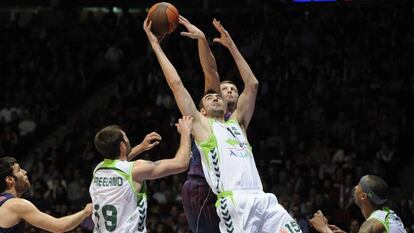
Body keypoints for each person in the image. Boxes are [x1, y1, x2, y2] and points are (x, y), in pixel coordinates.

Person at [144, 17, 301, 233]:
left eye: (220, 95)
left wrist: (229, 45)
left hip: (263, 199)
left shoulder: (237, 123)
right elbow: (176, 83)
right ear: (202, 110)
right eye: (210, 98)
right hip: (233, 202)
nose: (217, 97)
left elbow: (253, 84)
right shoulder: (203, 125)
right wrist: (155, 46)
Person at [89, 116, 192, 233]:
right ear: (122, 145)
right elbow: (181, 163)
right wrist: (186, 132)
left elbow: (121, 162)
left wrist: (141, 147)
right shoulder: (135, 169)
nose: (128, 140)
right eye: (126, 137)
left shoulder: (98, 169)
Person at [178, 16, 221, 233]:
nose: (228, 91)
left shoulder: (238, 119)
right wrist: (202, 40)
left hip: (231, 188)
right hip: (202, 183)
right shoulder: (206, 115)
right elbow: (211, 73)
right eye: (226, 88)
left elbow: (252, 84)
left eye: (233, 89)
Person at [0, 156, 92, 233]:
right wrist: (85, 212)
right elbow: (59, 226)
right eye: (19, 170)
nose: (25, 172)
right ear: (10, 180)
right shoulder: (16, 205)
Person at [309, 175, 407, 233]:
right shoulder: (388, 213)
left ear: (363, 196)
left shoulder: (372, 224)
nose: (355, 187)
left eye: (359, 185)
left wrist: (324, 228)